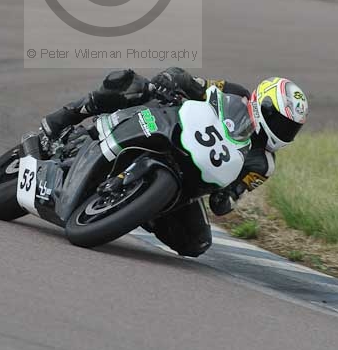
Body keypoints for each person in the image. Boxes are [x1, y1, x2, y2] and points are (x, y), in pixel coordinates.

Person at [39, 67, 309, 258]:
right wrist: (174, 80)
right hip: (171, 130)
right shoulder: (236, 94)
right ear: (263, 104)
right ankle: (68, 116)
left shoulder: (263, 164)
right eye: (280, 122)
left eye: (290, 129)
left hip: (190, 180)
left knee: (197, 244)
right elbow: (196, 85)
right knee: (131, 84)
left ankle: (139, 208)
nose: (284, 132)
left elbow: (232, 195)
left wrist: (226, 198)